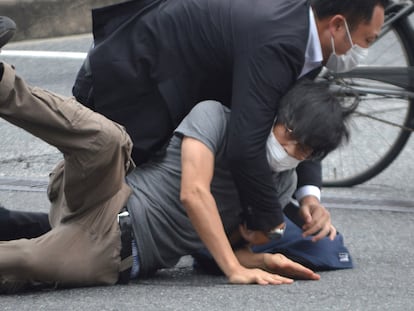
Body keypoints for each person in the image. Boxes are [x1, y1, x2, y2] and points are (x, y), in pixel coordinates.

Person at [0, 53, 354, 293]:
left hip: (112, 251)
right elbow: (193, 193)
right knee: (108, 139)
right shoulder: (216, 117)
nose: (290, 150)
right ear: (275, 116)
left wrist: (263, 257)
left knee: (24, 261)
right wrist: (235, 268)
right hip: (106, 192)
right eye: (289, 134)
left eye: (304, 150)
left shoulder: (281, 184)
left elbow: (219, 252)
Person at [71, 0, 387, 240]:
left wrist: (308, 197)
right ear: (336, 25)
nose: (363, 51)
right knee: (99, 214)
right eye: (367, 40)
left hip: (159, 78)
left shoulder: (305, 33)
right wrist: (270, 225)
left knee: (108, 221)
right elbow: (244, 148)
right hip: (125, 77)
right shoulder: (280, 41)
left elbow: (301, 115)